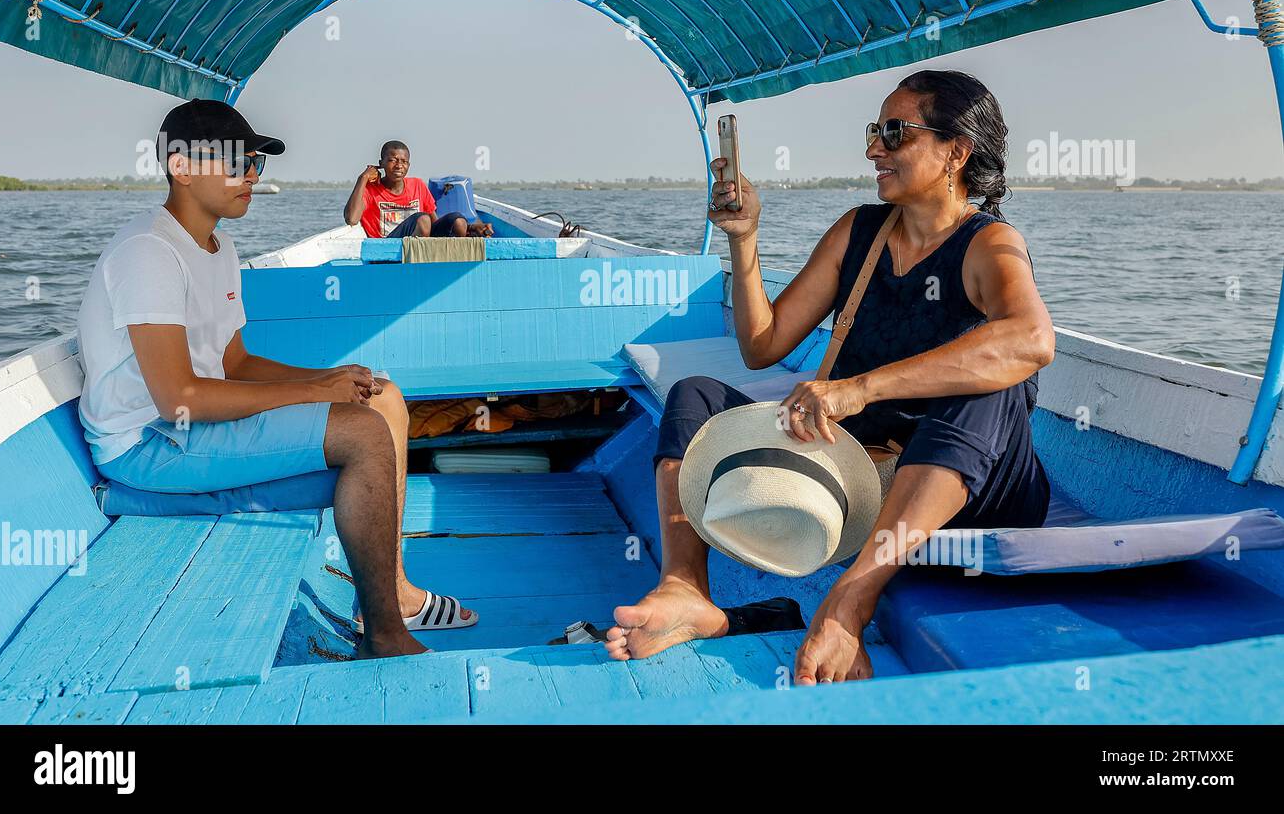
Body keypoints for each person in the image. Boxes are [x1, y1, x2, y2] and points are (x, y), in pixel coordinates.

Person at [605, 70, 1055, 683]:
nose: (875, 149)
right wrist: (745, 239)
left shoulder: (988, 243)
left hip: (973, 492)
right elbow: (763, 345)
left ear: (956, 150)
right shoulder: (858, 232)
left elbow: (1032, 339)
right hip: (862, 482)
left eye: (895, 133)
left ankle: (849, 604)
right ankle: (685, 588)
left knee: (992, 377)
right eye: (875, 132)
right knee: (696, 398)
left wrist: (857, 389)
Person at [77, 100, 476, 660]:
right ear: (182, 167)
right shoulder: (149, 253)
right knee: (363, 438)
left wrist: (331, 377)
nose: (252, 176)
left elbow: (235, 364)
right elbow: (178, 398)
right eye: (236, 162)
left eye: (256, 164)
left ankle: (396, 592)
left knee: (382, 398)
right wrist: (316, 393)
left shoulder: (217, 246)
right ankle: (385, 634)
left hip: (194, 428)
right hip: (148, 444)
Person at [343, 140, 493, 239]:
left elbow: (435, 223)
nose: (398, 165)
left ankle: (455, 265)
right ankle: (419, 268)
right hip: (389, 248)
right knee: (422, 219)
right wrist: (362, 178)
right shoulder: (371, 190)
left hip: (421, 244)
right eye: (392, 160)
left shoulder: (417, 185)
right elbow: (352, 218)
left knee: (459, 221)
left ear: (408, 165)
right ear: (381, 163)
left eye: (403, 161)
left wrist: (471, 228)